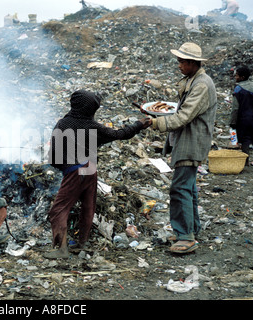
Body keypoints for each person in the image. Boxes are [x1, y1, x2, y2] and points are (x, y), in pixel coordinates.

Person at [44, 89, 152, 259]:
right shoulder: (93, 126)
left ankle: (62, 249)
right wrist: (139, 124)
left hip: (75, 170)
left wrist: (64, 167)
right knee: (88, 206)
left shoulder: (63, 124)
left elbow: (54, 156)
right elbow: (120, 134)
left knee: (58, 210)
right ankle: (82, 243)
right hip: (90, 169)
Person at [147, 42, 217, 254]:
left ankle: (186, 237)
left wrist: (155, 122)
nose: (178, 65)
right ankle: (192, 228)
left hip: (192, 140)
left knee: (180, 188)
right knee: (189, 187)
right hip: (188, 139)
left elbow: (184, 116)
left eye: (181, 62)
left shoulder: (202, 85)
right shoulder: (192, 80)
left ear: (192, 63)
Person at [230, 66, 253, 166]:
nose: (235, 77)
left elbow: (235, 108)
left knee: (245, 138)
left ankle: (246, 160)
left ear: (242, 77)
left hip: (244, 118)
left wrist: (233, 121)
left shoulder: (238, 88)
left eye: (236, 75)